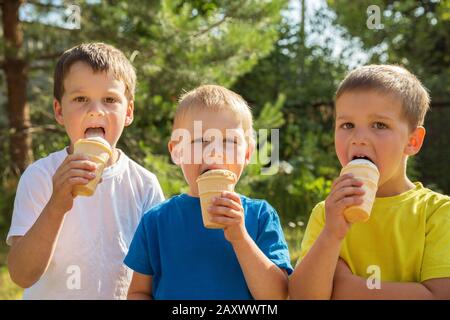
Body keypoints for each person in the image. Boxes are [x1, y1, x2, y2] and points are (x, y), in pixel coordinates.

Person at [6, 43, 165, 299]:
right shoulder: (41, 176)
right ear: (59, 111)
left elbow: (157, 271)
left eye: (110, 100)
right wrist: (57, 204)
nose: (96, 110)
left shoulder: (144, 185)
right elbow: (22, 275)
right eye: (80, 99)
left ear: (129, 112)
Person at [289, 64, 450, 299]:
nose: (359, 139)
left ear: (413, 141)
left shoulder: (436, 213)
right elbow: (302, 297)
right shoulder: (326, 214)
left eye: (379, 125)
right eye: (347, 125)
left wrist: (346, 287)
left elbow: (439, 296)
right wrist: (332, 234)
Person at [124, 85, 292, 299]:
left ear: (248, 153)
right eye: (200, 141)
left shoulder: (260, 216)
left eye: (229, 141)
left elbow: (276, 296)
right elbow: (139, 292)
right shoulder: (156, 221)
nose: (214, 152)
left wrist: (240, 238)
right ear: (177, 151)